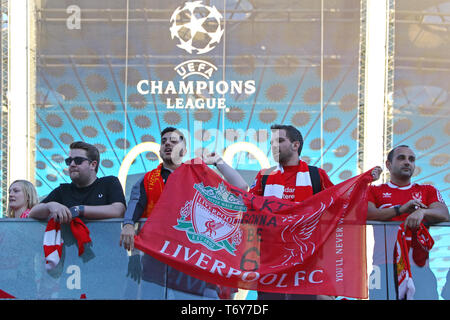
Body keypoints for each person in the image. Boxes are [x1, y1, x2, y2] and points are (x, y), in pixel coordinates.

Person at [119, 127, 247, 299]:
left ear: (184, 151)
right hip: (156, 259)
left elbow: (241, 188)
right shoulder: (148, 179)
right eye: (164, 141)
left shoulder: (198, 175)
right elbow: (135, 204)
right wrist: (128, 225)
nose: (167, 144)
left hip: (189, 258)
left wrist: (218, 161)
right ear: (159, 150)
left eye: (173, 141)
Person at [367, 145, 449, 299]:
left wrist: (422, 211)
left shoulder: (427, 190)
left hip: (419, 267)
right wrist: (400, 210)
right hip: (383, 267)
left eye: (411, 159)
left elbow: (444, 214)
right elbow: (367, 213)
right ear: (388, 165)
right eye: (401, 158)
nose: (407, 162)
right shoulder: (374, 191)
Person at [29, 141, 126, 222]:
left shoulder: (109, 183)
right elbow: (33, 213)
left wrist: (79, 210)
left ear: (93, 165)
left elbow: (119, 210)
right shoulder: (63, 190)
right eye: (69, 161)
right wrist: (50, 206)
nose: (72, 164)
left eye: (78, 160)